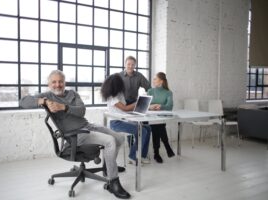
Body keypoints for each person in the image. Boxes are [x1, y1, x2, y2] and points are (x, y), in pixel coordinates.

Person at [20, 70, 130, 199]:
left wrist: (64, 107)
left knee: (119, 138)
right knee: (110, 141)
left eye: (60, 81)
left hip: (87, 126)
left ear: (64, 82)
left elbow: (81, 111)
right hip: (76, 134)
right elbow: (22, 102)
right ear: (49, 84)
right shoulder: (47, 96)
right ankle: (113, 182)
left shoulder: (72, 93)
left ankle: (108, 167)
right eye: (54, 82)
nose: (57, 85)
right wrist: (41, 101)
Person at [101, 73, 151, 164]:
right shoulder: (112, 98)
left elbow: (125, 109)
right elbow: (125, 108)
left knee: (147, 128)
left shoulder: (119, 94)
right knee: (142, 131)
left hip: (123, 119)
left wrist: (141, 106)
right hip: (116, 123)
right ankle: (132, 156)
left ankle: (142, 155)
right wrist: (138, 102)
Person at [147, 72, 175, 163]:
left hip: (161, 117)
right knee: (158, 126)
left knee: (158, 126)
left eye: (155, 79)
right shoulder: (150, 91)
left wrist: (161, 106)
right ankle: (167, 146)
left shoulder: (168, 93)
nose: (153, 80)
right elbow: (145, 105)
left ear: (161, 81)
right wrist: (151, 107)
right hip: (150, 117)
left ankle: (156, 153)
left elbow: (170, 106)